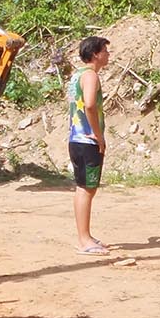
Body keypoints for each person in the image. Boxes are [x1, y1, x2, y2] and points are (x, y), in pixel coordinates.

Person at [68, 35, 111, 254]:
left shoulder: (77, 75)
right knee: (86, 189)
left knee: (84, 188)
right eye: (105, 50)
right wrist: (98, 135)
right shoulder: (91, 76)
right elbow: (90, 105)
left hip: (76, 139)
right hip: (87, 140)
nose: (108, 55)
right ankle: (84, 240)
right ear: (95, 53)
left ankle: (86, 235)